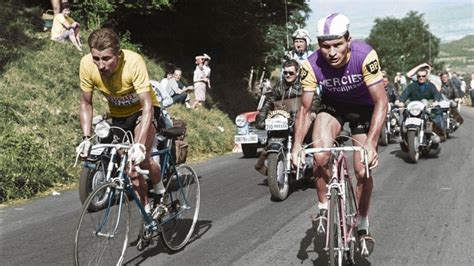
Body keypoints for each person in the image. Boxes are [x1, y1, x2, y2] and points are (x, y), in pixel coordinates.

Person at [290, 13, 387, 256]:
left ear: (348, 41)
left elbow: (381, 102)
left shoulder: (365, 56)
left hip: (364, 110)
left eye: (337, 45)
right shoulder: (311, 64)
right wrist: (297, 145)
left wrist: (372, 144)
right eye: (325, 46)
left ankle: (363, 224)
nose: (331, 52)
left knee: (363, 169)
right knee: (320, 155)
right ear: (318, 46)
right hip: (333, 107)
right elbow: (304, 108)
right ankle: (323, 207)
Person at [76, 28, 163, 215]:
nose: (100, 65)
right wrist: (85, 138)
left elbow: (147, 105)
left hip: (143, 111)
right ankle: (146, 207)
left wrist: (139, 145)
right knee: (129, 171)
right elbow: (86, 102)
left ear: (119, 54)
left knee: (140, 161)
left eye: (106, 58)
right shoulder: (86, 64)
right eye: (96, 58)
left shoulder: (133, 62)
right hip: (119, 116)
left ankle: (160, 191)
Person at [254, 59, 318, 175]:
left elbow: (315, 99)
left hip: (300, 119)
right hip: (283, 119)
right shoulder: (279, 86)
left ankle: (313, 163)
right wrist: (261, 117)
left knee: (312, 142)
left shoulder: (304, 84)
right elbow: (269, 102)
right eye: (285, 73)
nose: (288, 75)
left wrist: (313, 111)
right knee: (269, 143)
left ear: (297, 72)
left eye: (291, 73)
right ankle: (263, 164)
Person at [395, 67, 445, 140]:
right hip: (414, 109)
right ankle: (403, 136)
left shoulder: (431, 86)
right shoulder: (412, 86)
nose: (421, 78)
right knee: (403, 119)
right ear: (417, 76)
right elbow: (405, 94)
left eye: (423, 76)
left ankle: (439, 134)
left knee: (436, 118)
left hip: (427, 108)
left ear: (426, 76)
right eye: (419, 76)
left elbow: (436, 94)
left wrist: (436, 101)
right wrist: (401, 101)